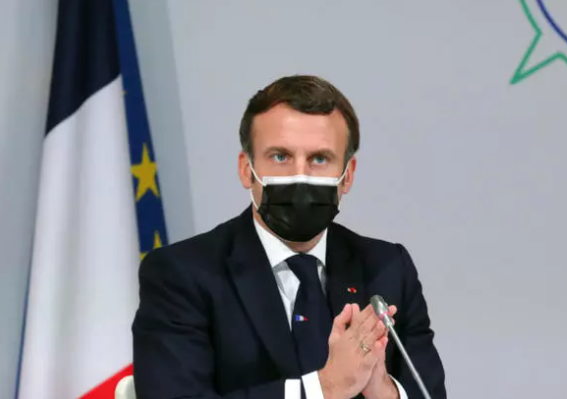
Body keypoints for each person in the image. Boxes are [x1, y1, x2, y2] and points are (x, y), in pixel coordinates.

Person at [132, 75, 447, 399]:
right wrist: (325, 388)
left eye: (319, 159)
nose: (301, 175)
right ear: (246, 169)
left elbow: (429, 392)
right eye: (280, 157)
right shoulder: (182, 274)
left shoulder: (387, 268)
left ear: (347, 175)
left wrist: (382, 390)